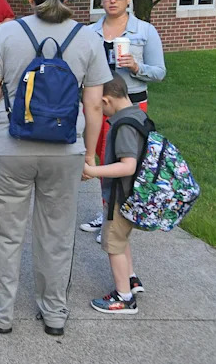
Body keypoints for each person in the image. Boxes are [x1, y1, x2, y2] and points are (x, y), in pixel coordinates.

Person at [0, 0, 111, 337]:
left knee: (8, 234)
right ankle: (54, 314)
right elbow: (94, 106)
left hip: (10, 147)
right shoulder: (88, 38)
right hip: (65, 150)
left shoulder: (7, 34)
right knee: (57, 235)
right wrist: (89, 155)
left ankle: (1, 313)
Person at [80, 0, 166, 238]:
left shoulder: (144, 31)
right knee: (103, 158)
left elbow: (159, 72)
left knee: (125, 161)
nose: (113, 1)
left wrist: (137, 67)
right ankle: (107, 211)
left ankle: (119, 218)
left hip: (131, 108)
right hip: (98, 105)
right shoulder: (90, 32)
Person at [82, 76, 149, 314]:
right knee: (122, 239)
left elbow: (128, 166)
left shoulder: (123, 125)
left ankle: (124, 297)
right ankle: (130, 278)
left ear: (105, 101)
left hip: (120, 197)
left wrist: (92, 171)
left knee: (113, 245)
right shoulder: (138, 115)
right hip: (131, 195)